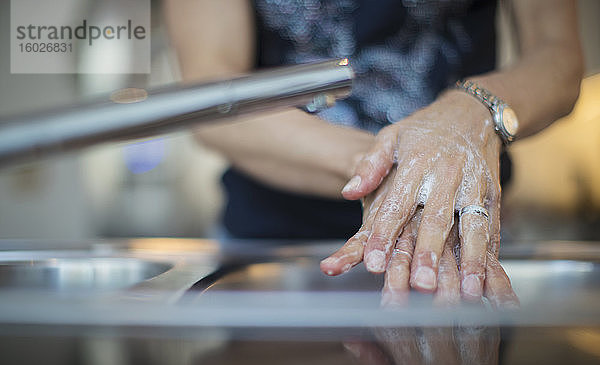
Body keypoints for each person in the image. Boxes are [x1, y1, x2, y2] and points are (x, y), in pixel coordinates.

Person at [164, 0, 583, 305]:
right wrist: (403, 165)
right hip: (272, 247)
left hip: (460, 239)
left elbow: (556, 57)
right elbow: (210, 97)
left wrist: (470, 110)